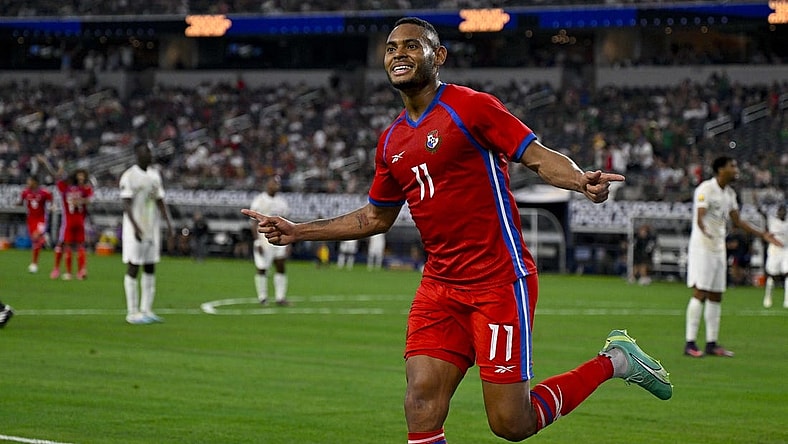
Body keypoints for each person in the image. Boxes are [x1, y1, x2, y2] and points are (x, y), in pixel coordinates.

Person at [243, 17, 672, 443]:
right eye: (392, 48)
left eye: (412, 46)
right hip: (440, 287)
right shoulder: (391, 142)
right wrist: (298, 231)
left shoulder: (471, 107)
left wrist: (581, 180)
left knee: (511, 424)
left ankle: (615, 361)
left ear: (439, 56)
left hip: (499, 283)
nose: (399, 54)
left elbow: (536, 156)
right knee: (420, 401)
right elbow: (375, 218)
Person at [684, 156, 782, 358]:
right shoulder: (705, 189)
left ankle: (711, 343)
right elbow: (700, 215)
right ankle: (690, 343)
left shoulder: (729, 193)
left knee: (716, 294)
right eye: (732, 166)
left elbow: (737, 221)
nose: (736, 169)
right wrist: (703, 229)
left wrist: (762, 234)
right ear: (720, 169)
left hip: (719, 247)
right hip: (702, 246)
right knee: (700, 292)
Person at [119, 141, 174, 324]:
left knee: (150, 266)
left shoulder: (154, 175)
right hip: (135, 228)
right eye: (145, 152)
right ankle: (132, 312)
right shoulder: (129, 176)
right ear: (137, 154)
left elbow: (160, 200)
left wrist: (169, 224)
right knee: (134, 265)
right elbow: (126, 203)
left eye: (150, 152)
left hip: (152, 228)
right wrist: (135, 227)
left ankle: (147, 309)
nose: (149, 155)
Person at [37, 155, 93, 280]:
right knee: (74, 246)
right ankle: (75, 271)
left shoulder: (68, 189)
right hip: (73, 221)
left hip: (73, 221)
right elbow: (89, 198)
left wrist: (47, 163)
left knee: (69, 245)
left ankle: (72, 271)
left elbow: (56, 177)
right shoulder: (79, 189)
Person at [249, 175, 290, 306]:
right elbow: (253, 223)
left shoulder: (282, 202)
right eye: (273, 183)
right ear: (267, 184)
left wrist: (289, 242)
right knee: (262, 267)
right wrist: (256, 242)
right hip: (263, 239)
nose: (275, 186)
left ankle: (280, 297)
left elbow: (288, 223)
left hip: (279, 238)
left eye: (277, 184)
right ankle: (263, 297)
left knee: (280, 265)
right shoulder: (259, 201)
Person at [18, 175, 53, 273]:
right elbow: (21, 201)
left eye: (29, 181)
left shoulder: (44, 192)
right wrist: (18, 203)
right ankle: (44, 239)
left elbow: (51, 199)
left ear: (35, 182)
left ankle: (34, 264)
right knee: (35, 241)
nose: (28, 183)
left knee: (36, 237)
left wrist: (52, 206)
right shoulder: (25, 192)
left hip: (41, 219)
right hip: (31, 220)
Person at [757, 204, 787, 308]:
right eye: (780, 212)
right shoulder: (772, 222)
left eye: (784, 211)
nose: (782, 213)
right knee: (772, 275)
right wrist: (774, 241)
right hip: (774, 250)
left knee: (787, 273)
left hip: (786, 250)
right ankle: (768, 297)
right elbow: (766, 235)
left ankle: (787, 300)